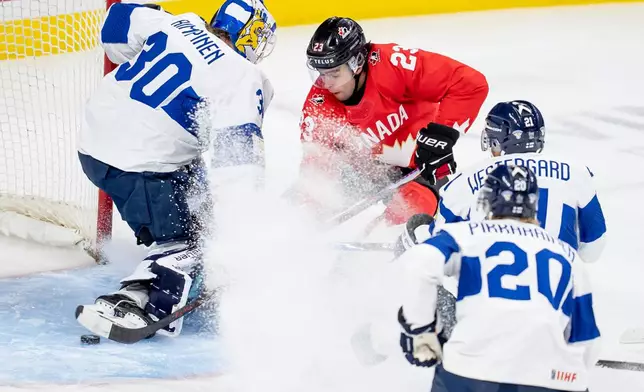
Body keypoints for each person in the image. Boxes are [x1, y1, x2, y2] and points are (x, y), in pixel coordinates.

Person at [75, 0, 277, 340]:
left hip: (92, 140)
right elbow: (238, 170)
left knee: (198, 198)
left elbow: (113, 25)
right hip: (134, 163)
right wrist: (242, 239)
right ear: (252, 37)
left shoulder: (178, 23)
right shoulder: (244, 76)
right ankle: (135, 300)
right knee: (189, 242)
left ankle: (196, 263)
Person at [397, 164, 600, 392]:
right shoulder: (569, 256)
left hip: (472, 369)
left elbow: (419, 262)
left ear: (486, 200)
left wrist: (420, 330)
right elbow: (587, 339)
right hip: (556, 379)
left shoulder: (464, 234)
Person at [295, 17, 489, 226]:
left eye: (334, 73)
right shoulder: (318, 105)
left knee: (397, 227)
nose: (328, 83)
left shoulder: (393, 65)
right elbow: (316, 166)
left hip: (420, 168)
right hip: (366, 173)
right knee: (297, 208)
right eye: (321, 74)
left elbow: (469, 83)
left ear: (357, 62)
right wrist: (309, 211)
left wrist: (439, 138)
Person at [396, 100, 607, 263]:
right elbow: (593, 250)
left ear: (496, 139)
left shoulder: (464, 183)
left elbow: (436, 254)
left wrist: (412, 237)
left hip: (487, 307)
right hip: (557, 305)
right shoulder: (578, 174)